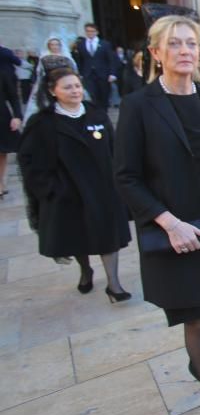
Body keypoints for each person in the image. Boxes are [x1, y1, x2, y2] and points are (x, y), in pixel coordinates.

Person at [115, 13, 200, 415]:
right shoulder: (139, 106)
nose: (186, 51)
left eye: (191, 43)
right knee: (199, 320)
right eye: (174, 44)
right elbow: (126, 177)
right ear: (155, 53)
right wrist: (169, 223)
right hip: (176, 228)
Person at [18, 66, 131, 298]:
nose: (75, 91)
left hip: (102, 190)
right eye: (67, 87)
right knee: (78, 236)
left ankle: (114, 284)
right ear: (52, 91)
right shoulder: (43, 123)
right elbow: (29, 160)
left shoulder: (96, 114)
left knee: (108, 236)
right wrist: (52, 189)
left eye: (77, 86)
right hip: (69, 193)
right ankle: (85, 270)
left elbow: (114, 148)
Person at [74, 23, 119, 109]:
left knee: (104, 95)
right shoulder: (81, 45)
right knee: (93, 95)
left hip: (103, 74)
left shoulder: (105, 44)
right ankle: (96, 113)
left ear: (96, 32)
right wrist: (80, 74)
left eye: (92, 31)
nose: (90, 33)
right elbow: (79, 60)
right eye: (88, 31)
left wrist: (112, 74)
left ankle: (103, 113)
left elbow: (111, 60)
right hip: (88, 74)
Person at [0, 63, 22, 197]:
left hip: (1, 116)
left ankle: (0, 182)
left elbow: (13, 96)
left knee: (1, 152)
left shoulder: (2, 72)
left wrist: (17, 116)